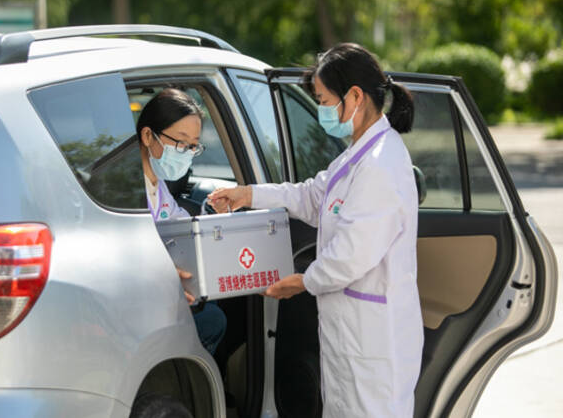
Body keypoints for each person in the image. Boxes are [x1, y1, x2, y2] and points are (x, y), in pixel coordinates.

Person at [209, 43, 423, 417]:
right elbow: (311, 196)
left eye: (324, 101)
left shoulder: (380, 165)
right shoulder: (357, 156)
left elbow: (350, 256)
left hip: (372, 341)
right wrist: (248, 194)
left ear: (355, 96)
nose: (322, 111)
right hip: (352, 336)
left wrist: (301, 281)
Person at [136, 88, 226, 355]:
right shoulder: (125, 190)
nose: (185, 153)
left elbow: (183, 230)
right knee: (213, 320)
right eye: (180, 143)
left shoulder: (158, 185)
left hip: (165, 292)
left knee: (213, 310)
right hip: (140, 299)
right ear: (148, 135)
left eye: (192, 146)